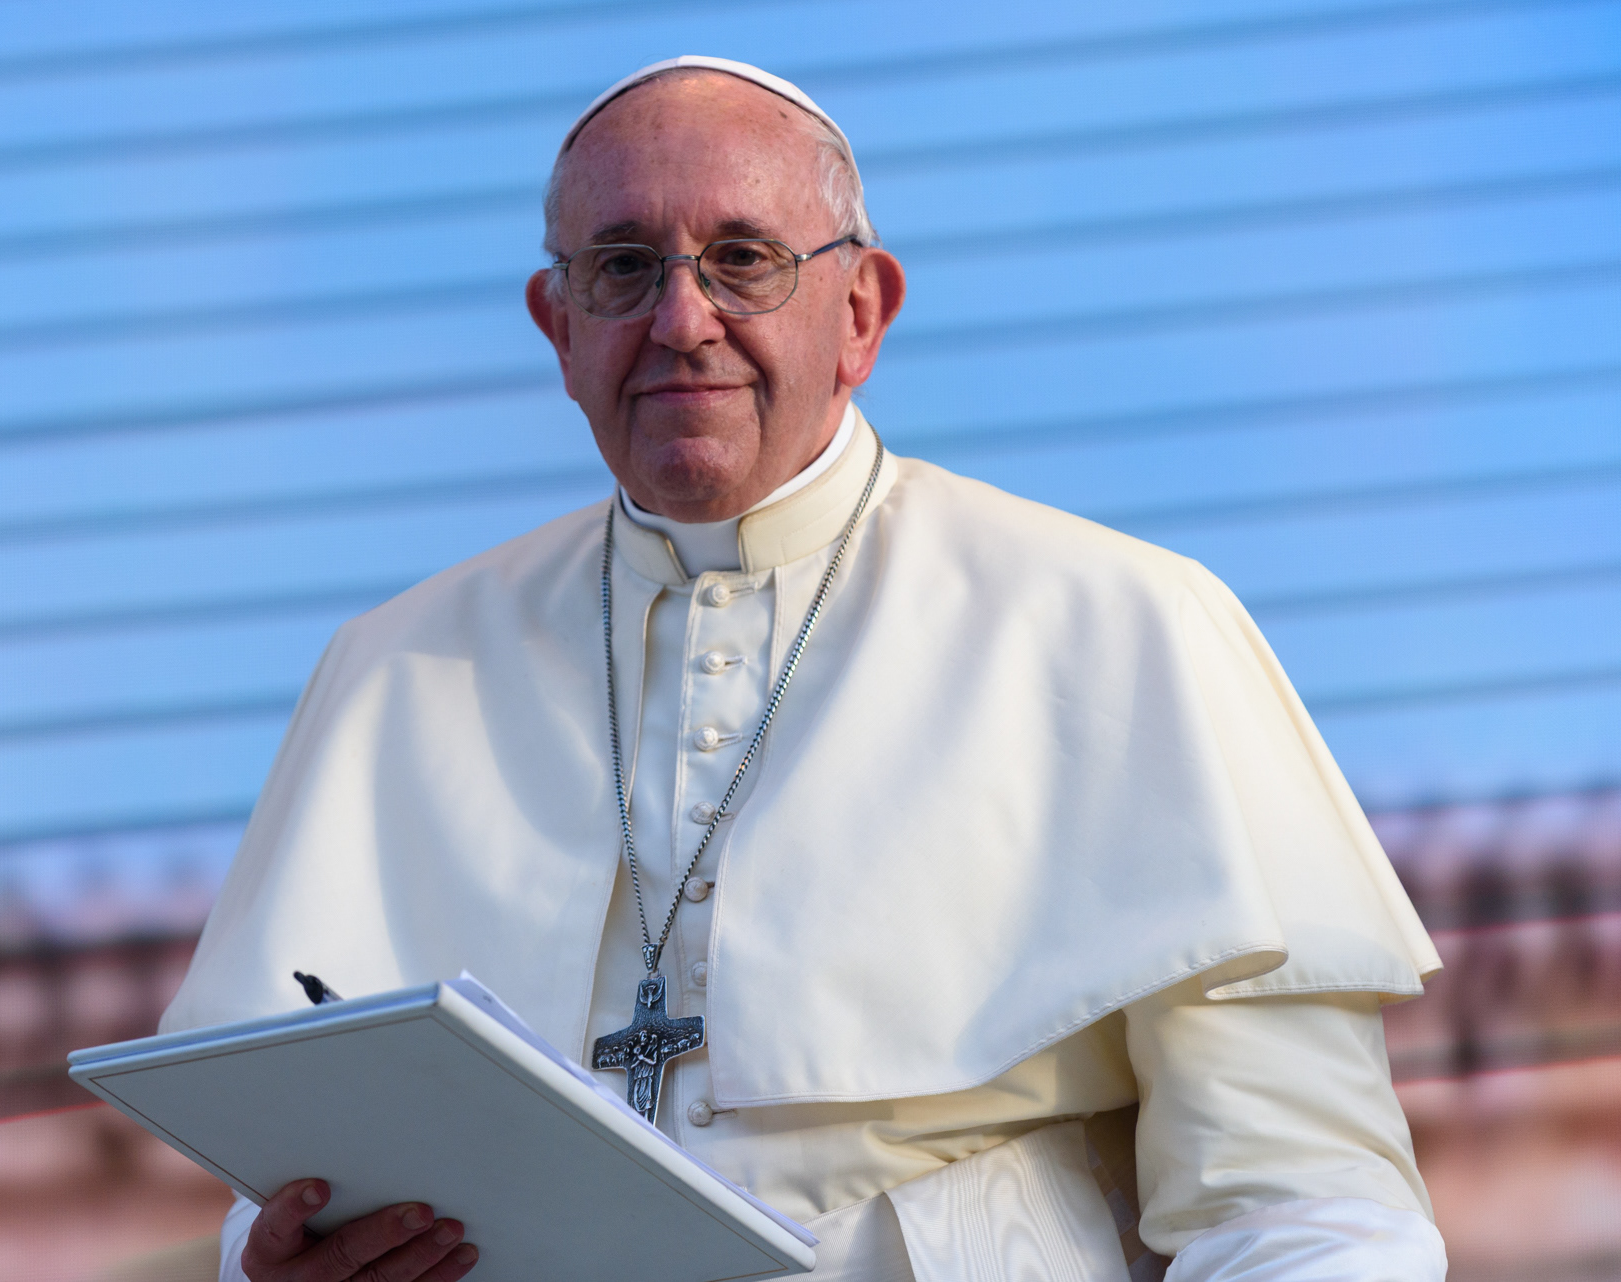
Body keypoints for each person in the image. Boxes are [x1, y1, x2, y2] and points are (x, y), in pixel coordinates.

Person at [163, 56, 1447, 1282]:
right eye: (622, 268)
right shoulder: (399, 670)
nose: (682, 320)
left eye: (743, 260)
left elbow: (1302, 1206)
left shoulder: (1118, 625)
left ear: (862, 310)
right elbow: (286, 1173)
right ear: (558, 327)